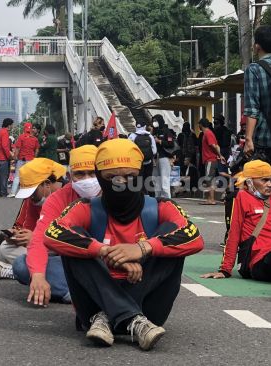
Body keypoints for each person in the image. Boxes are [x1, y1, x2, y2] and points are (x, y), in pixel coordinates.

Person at [42, 139, 204, 350]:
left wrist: (142, 249)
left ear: (141, 175)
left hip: (146, 309)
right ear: (100, 177)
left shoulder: (162, 207)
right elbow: (52, 235)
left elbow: (194, 238)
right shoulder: (85, 208)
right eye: (112, 177)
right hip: (93, 305)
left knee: (171, 235)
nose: (120, 183)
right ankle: (131, 318)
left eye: (130, 176)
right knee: (74, 240)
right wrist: (104, 251)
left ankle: (110, 316)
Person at [16, 145, 100, 306]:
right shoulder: (58, 199)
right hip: (74, 260)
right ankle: (88, 292)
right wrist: (38, 276)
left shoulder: (117, 194)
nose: (87, 179)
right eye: (80, 174)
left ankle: (79, 291)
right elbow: (39, 238)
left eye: (92, 173)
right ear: (70, 176)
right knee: (21, 265)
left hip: (109, 260)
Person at [0, 158, 68, 300]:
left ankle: (18, 273)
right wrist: (19, 236)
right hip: (45, 251)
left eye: (32, 193)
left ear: (46, 184)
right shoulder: (34, 199)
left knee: (21, 265)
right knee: (6, 247)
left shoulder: (71, 196)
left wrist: (37, 239)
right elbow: (28, 227)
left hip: (65, 253)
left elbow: (76, 239)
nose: (30, 198)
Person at [201, 160, 271, 281]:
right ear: (249, 181)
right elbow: (234, 233)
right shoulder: (242, 197)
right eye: (264, 180)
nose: (270, 184)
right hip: (257, 259)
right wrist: (225, 269)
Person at [244, 26, 271, 163]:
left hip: (265, 140)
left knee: (264, 182)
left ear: (257, 46)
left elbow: (252, 109)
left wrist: (248, 139)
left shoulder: (254, 69)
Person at [200, 118, 226, 205]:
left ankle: (211, 199)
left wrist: (220, 155)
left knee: (208, 179)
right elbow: (217, 146)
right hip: (210, 159)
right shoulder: (209, 133)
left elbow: (214, 146)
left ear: (201, 125)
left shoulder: (207, 133)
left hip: (210, 159)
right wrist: (220, 155)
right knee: (210, 179)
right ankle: (210, 198)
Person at [10, 122, 40, 197]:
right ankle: (29, 194)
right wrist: (34, 157)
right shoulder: (35, 139)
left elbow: (17, 148)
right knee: (30, 177)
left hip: (21, 159)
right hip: (30, 160)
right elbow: (37, 150)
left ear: (24, 128)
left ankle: (13, 193)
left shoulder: (21, 137)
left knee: (17, 176)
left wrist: (14, 157)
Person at [129, 121, 157, 196]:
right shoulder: (150, 136)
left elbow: (129, 150)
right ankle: (152, 197)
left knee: (138, 180)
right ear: (145, 126)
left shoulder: (132, 136)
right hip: (148, 162)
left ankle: (140, 197)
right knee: (148, 179)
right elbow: (154, 151)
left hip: (137, 163)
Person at [153, 115, 176, 199]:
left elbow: (171, 143)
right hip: (156, 159)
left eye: (156, 120)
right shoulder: (155, 132)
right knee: (156, 181)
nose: (154, 122)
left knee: (164, 180)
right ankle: (157, 199)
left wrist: (159, 141)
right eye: (153, 121)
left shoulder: (167, 132)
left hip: (164, 158)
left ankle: (166, 200)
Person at [0, 118, 14, 198]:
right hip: (3, 158)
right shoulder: (5, 133)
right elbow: (5, 146)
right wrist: (9, 156)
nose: (12, 126)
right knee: (4, 176)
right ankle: (3, 192)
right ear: (9, 125)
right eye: (12, 125)